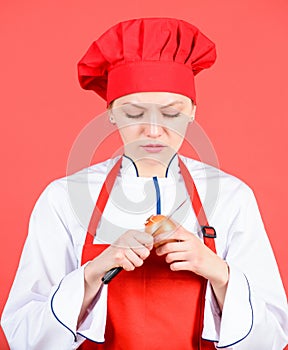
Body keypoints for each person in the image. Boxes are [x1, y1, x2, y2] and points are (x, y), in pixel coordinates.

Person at [1, 17, 288, 350]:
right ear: (110, 113)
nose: (153, 130)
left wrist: (218, 271)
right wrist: (95, 271)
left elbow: (272, 337)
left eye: (171, 113)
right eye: (134, 113)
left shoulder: (232, 198)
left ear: (193, 111)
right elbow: (24, 336)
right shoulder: (63, 199)